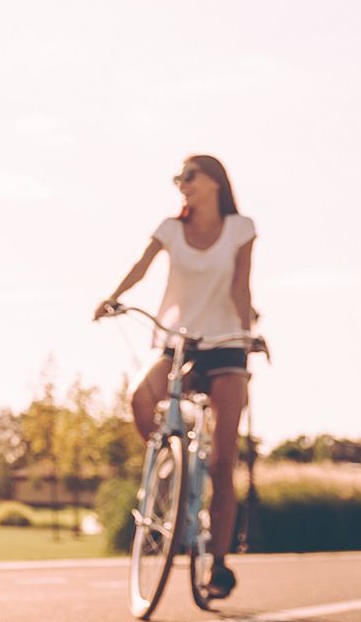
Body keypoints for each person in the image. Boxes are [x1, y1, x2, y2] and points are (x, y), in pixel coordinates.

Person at [95, 154, 259, 598]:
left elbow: (241, 285)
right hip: (180, 341)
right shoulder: (171, 228)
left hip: (226, 343)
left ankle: (218, 565)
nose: (181, 185)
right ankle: (174, 464)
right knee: (141, 398)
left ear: (213, 182)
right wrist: (113, 297)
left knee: (225, 459)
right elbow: (141, 265)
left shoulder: (241, 228)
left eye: (189, 177)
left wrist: (249, 335)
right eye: (178, 178)